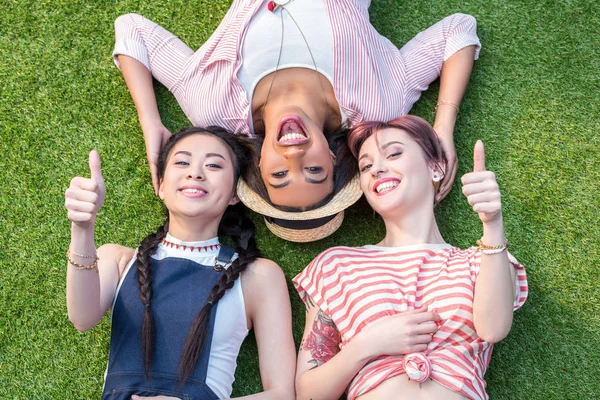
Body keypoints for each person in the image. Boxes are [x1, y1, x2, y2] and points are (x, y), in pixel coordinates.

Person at [112, 1, 480, 229]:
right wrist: (442, 127)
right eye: (314, 170)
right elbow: (458, 29)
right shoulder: (377, 102)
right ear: (334, 158)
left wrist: (151, 123)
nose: (294, 155)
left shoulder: (214, 104)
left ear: (259, 163)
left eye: (280, 173)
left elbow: (132, 30)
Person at [293, 115, 528, 399]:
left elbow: (493, 329)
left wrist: (492, 224)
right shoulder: (337, 266)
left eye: (394, 153)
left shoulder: (481, 261)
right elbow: (308, 394)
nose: (377, 169)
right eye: (366, 165)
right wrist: (368, 344)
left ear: (436, 167)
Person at [64, 127, 295, 399]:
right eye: (182, 162)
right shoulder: (118, 260)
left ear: (235, 193)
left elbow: (282, 393)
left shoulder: (258, 277)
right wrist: (82, 228)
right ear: (160, 185)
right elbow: (82, 318)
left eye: (213, 165)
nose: (195, 172)